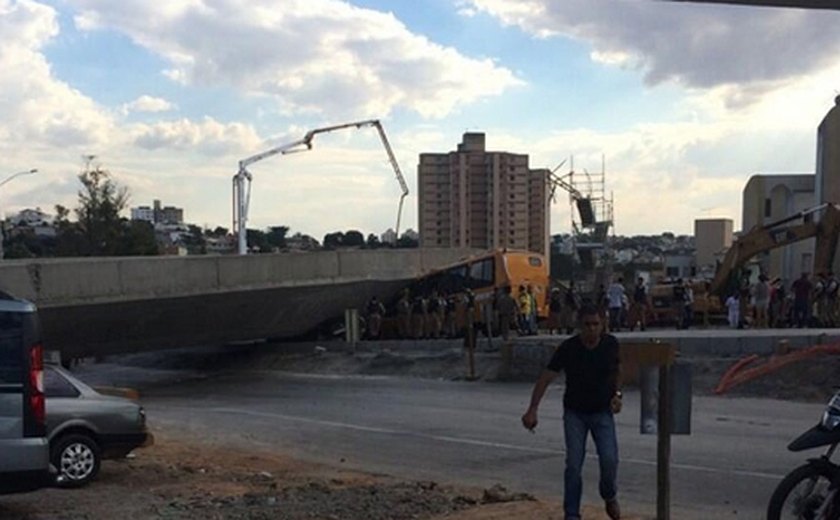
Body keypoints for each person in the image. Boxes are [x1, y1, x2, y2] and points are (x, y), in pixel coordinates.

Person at [521, 304, 622, 520]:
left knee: (609, 459)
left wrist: (617, 395)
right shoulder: (569, 348)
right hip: (575, 413)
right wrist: (532, 409)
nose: (592, 329)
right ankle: (572, 514)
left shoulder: (610, 345)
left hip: (602, 412)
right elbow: (546, 377)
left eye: (596, 324)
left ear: (602, 324)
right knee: (574, 465)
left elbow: (616, 372)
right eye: (587, 325)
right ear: (579, 326)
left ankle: (609, 494)